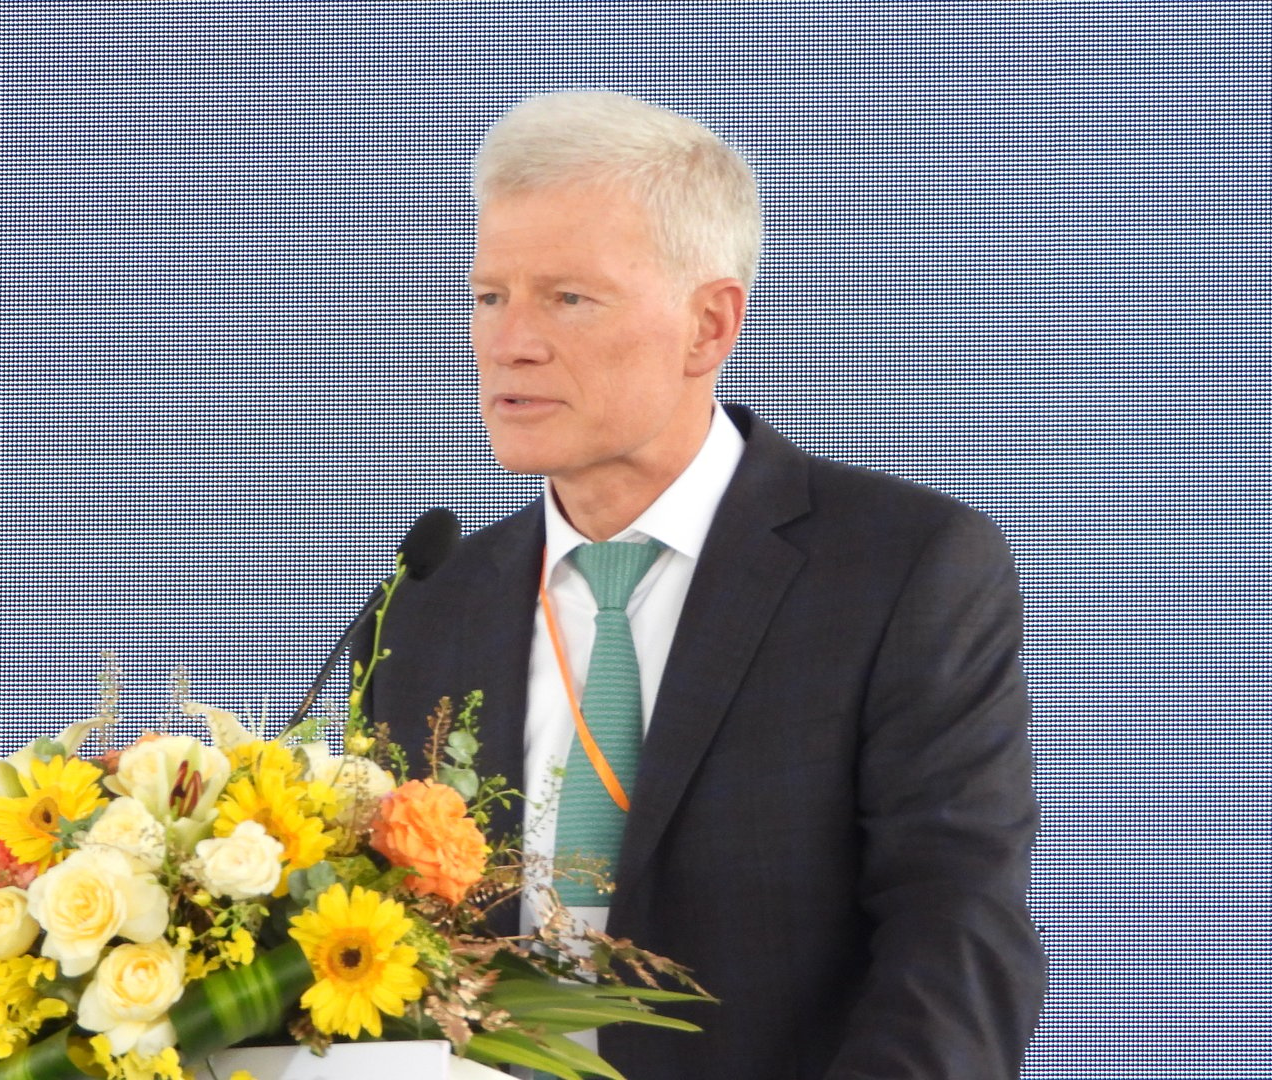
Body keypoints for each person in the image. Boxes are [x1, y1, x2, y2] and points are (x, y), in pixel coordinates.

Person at [363, 90, 1044, 1080]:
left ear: (708, 326)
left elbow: (956, 935)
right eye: (488, 295)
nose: (509, 341)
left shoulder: (904, 569)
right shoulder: (430, 603)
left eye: (568, 298)